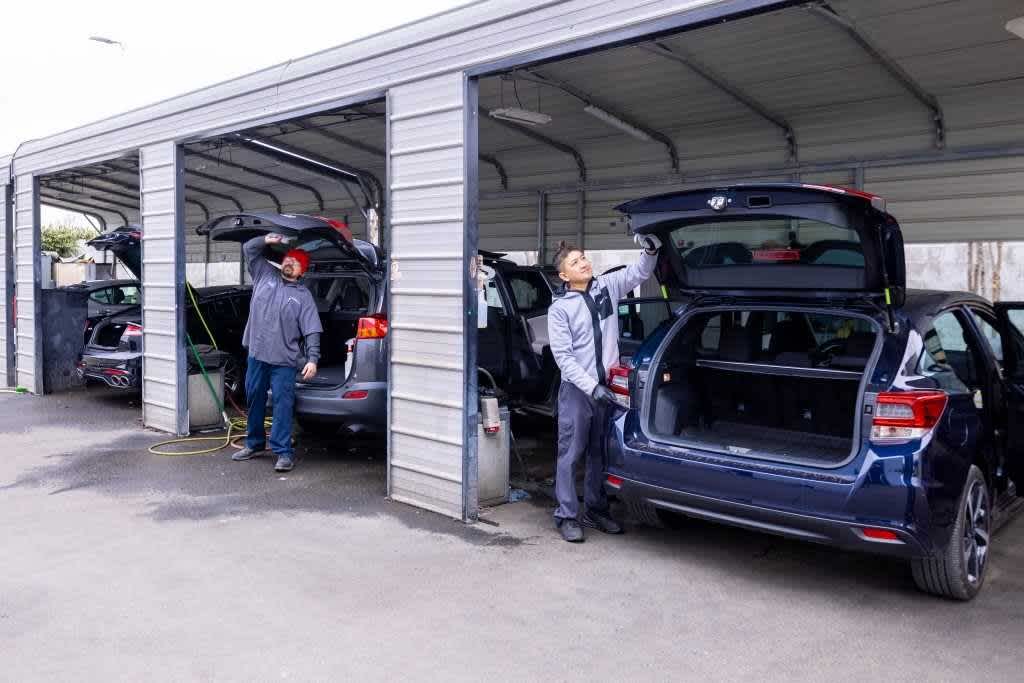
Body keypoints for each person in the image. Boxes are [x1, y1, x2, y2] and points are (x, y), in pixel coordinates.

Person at [546, 234, 662, 542]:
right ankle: (566, 515)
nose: (583, 263)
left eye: (583, 258)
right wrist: (591, 387)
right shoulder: (560, 309)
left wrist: (650, 249)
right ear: (564, 275)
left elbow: (639, 272)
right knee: (571, 454)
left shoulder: (607, 288)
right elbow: (564, 359)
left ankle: (596, 510)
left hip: (606, 388)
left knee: (600, 453)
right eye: (575, 262)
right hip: (577, 392)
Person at [232, 233, 322, 472]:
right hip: (257, 355)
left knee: (282, 404)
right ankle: (254, 444)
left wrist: (313, 359)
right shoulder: (264, 275)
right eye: (289, 259)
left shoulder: (303, 297)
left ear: (302, 272)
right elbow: (249, 249)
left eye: (297, 262)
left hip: (284, 360)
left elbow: (312, 329)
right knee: (254, 398)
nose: (290, 263)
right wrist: (266, 240)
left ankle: (283, 452)